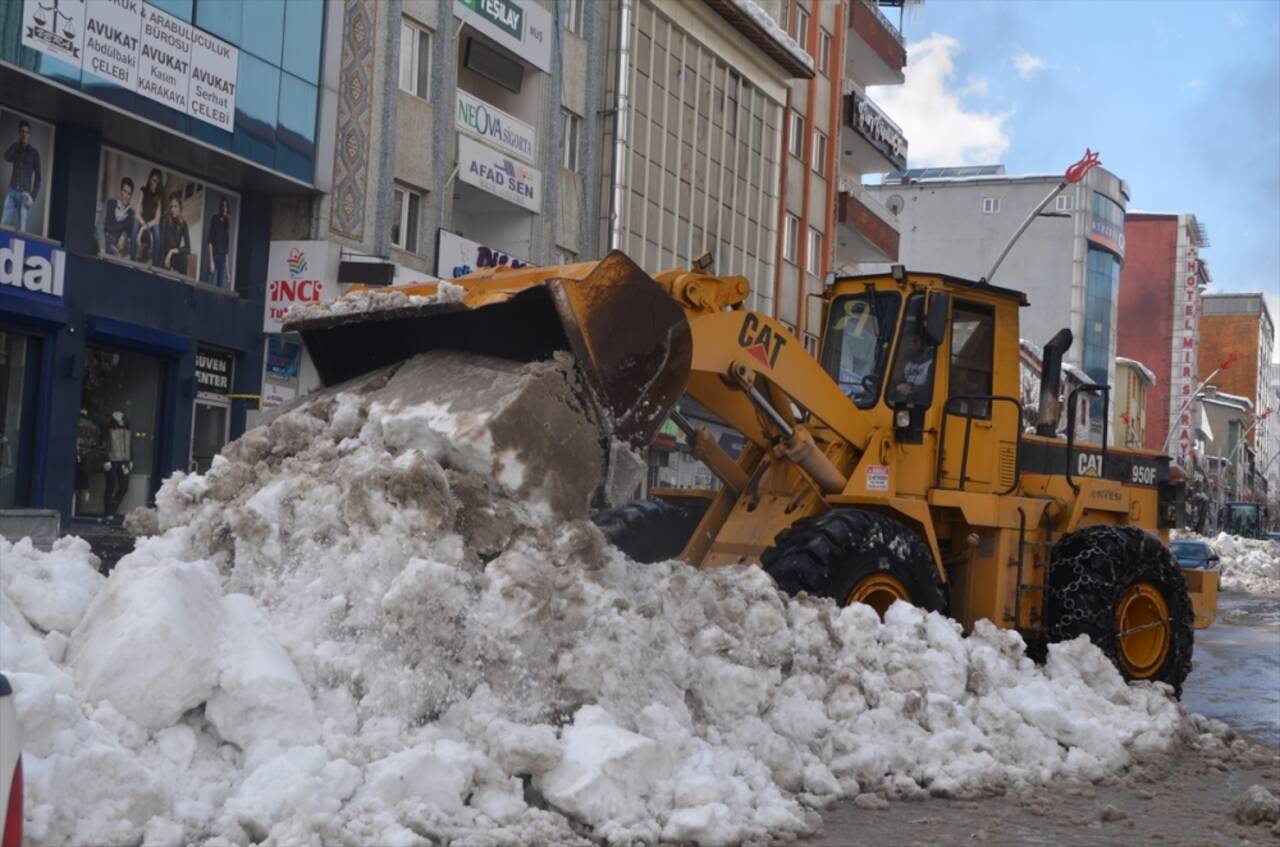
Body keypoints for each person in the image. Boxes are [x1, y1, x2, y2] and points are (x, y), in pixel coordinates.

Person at [2, 119, 41, 232]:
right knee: (3, 226)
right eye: (22, 132)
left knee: (22, 229)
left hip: (25, 195)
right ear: (19, 133)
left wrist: (33, 197)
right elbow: (6, 157)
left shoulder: (34, 153)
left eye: (27, 132)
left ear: (30, 134)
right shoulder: (16, 148)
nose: (25, 134)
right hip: (12, 192)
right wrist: (17, 143)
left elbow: (39, 177)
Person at [101, 177, 140, 259]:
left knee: (120, 256)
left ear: (131, 195)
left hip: (118, 245)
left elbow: (130, 235)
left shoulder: (131, 214)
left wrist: (124, 234)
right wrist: (123, 227)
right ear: (120, 190)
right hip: (106, 239)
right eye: (124, 191)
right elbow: (107, 227)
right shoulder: (111, 203)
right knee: (115, 255)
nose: (126, 196)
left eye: (129, 193)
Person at [891, 333, 934, 404]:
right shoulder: (909, 364)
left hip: (921, 405)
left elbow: (931, 390)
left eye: (914, 342)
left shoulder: (931, 364)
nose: (909, 346)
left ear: (924, 345)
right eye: (908, 342)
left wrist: (912, 387)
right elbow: (900, 381)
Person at [103, 411, 131, 516]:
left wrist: (131, 459)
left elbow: (130, 443)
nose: (119, 414)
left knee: (124, 487)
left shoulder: (127, 425)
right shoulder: (108, 425)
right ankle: (108, 512)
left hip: (124, 460)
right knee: (111, 485)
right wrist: (106, 459)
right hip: (112, 459)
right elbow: (104, 442)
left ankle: (112, 508)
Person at [157, 192, 191, 275]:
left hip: (173, 256)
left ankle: (183, 284)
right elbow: (161, 242)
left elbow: (188, 248)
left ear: (180, 207)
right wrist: (166, 257)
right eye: (171, 206)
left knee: (184, 258)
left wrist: (172, 251)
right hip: (164, 255)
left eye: (175, 206)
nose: (173, 209)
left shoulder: (183, 224)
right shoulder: (165, 219)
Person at [138, 168, 165, 265]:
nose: (155, 184)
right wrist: (142, 226)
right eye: (154, 180)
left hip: (152, 224)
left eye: (158, 182)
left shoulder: (159, 196)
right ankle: (134, 257)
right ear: (149, 179)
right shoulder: (143, 190)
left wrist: (144, 228)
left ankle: (155, 263)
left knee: (157, 232)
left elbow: (157, 220)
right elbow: (137, 213)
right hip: (143, 221)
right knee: (135, 225)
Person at [206, 196, 231, 287]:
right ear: (220, 207)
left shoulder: (227, 223)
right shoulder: (215, 219)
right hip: (214, 256)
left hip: (222, 259)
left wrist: (228, 272)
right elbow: (210, 241)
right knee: (208, 286)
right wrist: (211, 260)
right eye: (223, 206)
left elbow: (226, 250)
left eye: (226, 206)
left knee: (220, 288)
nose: (225, 208)